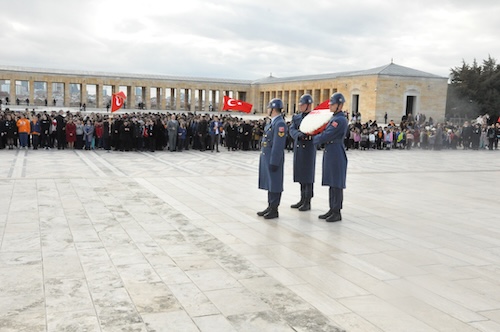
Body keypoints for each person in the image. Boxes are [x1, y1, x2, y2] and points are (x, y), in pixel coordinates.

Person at [310, 93, 348, 222]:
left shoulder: (339, 120)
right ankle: (332, 209)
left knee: (336, 183)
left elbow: (327, 134)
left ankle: (337, 211)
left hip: (336, 151)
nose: (330, 106)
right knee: (332, 182)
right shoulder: (334, 118)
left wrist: (313, 139)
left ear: (340, 105)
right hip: (331, 151)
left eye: (332, 104)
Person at [257, 98, 288, 219]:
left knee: (275, 183)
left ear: (273, 109)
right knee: (270, 182)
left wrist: (274, 161)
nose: (267, 109)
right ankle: (270, 206)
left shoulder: (280, 123)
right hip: (267, 156)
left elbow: (278, 144)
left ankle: (274, 209)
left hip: (273, 158)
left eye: (269, 107)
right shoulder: (272, 122)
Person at [288, 94, 316, 211]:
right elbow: (292, 129)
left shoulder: (315, 117)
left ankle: (307, 200)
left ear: (308, 105)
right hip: (299, 147)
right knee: (300, 174)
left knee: (308, 176)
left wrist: (309, 135)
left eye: (302, 104)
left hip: (308, 149)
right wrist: (299, 135)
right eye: (300, 104)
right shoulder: (296, 117)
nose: (300, 106)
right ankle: (302, 199)